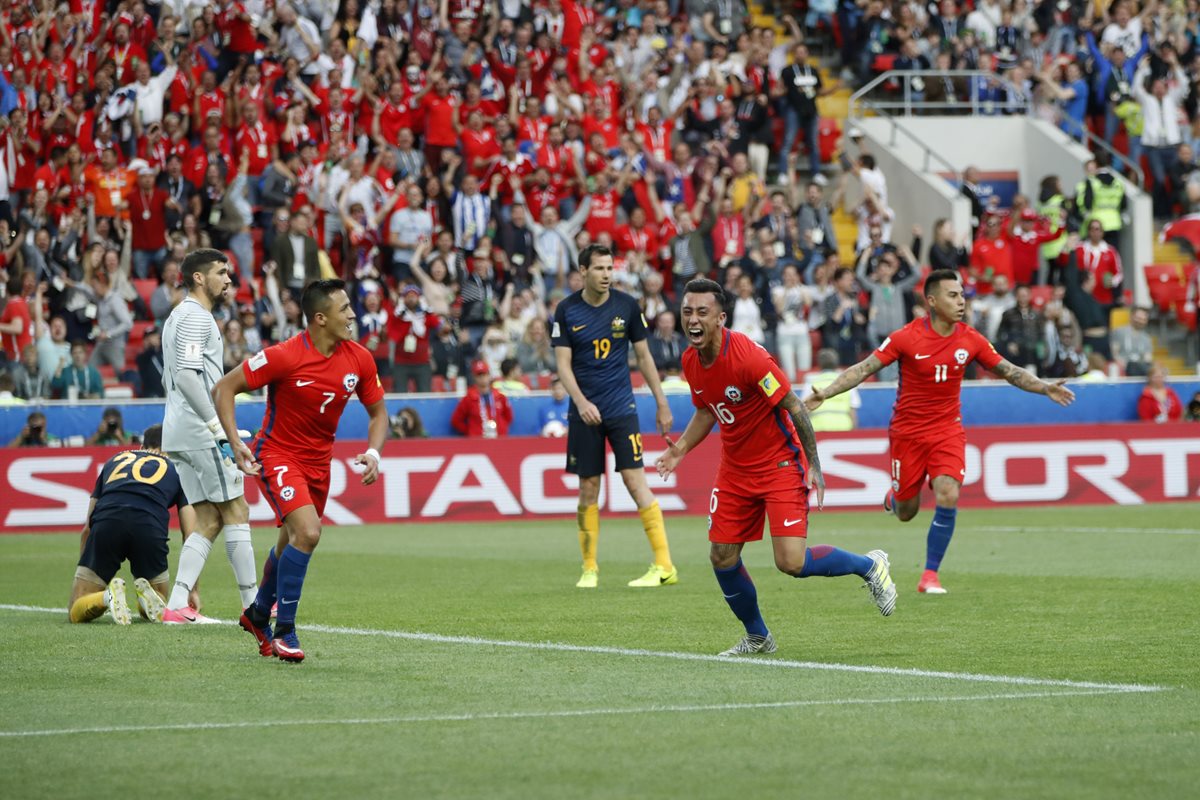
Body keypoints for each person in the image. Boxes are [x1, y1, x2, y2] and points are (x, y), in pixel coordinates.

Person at [654, 278, 895, 656]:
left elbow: (794, 406)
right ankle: (758, 636)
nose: (692, 320)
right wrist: (680, 449)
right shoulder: (690, 361)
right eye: (687, 312)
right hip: (735, 469)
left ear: (721, 318)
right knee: (722, 554)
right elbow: (706, 410)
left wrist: (814, 465)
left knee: (791, 563)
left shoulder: (749, 358)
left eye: (702, 312)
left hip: (779, 462)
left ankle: (869, 565)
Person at [804, 269, 1076, 595]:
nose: (960, 301)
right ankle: (896, 498)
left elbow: (1009, 370)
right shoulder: (906, 337)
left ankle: (930, 574)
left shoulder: (970, 338)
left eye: (962, 295)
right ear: (932, 301)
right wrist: (827, 392)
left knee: (948, 492)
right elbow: (864, 369)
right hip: (907, 434)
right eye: (952, 295)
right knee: (906, 512)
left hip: (947, 430)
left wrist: (1044, 387)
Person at [214, 279, 389, 663]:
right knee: (308, 532)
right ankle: (285, 631)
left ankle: (258, 614)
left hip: (318, 463)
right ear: (320, 318)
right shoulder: (284, 356)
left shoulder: (360, 358)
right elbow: (225, 388)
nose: (353, 315)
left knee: (290, 542)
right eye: (345, 309)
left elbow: (378, 413)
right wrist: (234, 441)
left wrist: (375, 452)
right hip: (277, 454)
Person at [552, 244, 677, 589]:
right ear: (582, 272)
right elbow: (562, 365)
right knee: (588, 488)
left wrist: (661, 401)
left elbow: (644, 356)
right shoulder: (566, 310)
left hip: (622, 408)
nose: (607, 275)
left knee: (635, 482)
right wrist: (580, 402)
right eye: (599, 269)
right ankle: (589, 568)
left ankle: (665, 565)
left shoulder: (627, 305)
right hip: (585, 412)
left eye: (609, 268)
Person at [159, 249, 259, 624]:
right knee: (236, 510)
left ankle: (177, 605)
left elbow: (174, 376)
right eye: (221, 272)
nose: (229, 279)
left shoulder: (176, 318)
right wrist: (218, 429)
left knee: (207, 519)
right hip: (201, 432)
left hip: (180, 431)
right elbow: (186, 375)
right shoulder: (196, 317)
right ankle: (254, 607)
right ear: (199, 278)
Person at [67, 424, 197, 626]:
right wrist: (192, 589)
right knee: (159, 603)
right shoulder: (178, 469)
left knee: (76, 609)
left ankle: (106, 597)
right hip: (149, 529)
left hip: (107, 524)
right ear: (172, 447)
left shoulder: (114, 460)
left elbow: (87, 527)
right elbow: (190, 536)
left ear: (142, 444)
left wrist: (86, 566)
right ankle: (146, 599)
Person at [800, 349, 861, 431]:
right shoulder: (847, 383)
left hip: (818, 429)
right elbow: (853, 413)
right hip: (844, 429)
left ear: (819, 364)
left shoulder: (811, 384)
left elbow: (804, 411)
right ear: (837, 363)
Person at [450, 360, 514, 437]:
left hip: (499, 439)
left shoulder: (500, 397)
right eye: (479, 375)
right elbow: (456, 420)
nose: (482, 377)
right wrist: (471, 431)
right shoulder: (468, 398)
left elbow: (509, 417)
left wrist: (502, 428)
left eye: (484, 374)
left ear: (489, 375)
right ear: (474, 377)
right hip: (477, 442)